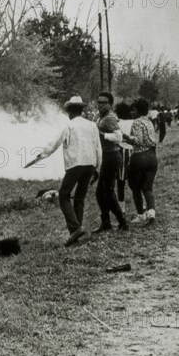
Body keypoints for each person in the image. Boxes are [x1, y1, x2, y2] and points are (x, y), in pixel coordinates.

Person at [28, 96, 102, 247]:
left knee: (64, 196)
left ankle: (75, 228)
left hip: (75, 164)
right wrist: (97, 167)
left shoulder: (69, 126)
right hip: (90, 164)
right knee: (80, 197)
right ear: (81, 110)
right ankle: (77, 230)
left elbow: (54, 143)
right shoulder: (92, 125)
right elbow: (98, 148)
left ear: (69, 112)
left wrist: (42, 155)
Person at [92, 92, 129, 234]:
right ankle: (106, 222)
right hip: (105, 156)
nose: (100, 105)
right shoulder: (100, 118)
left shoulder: (109, 118)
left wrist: (102, 135)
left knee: (107, 191)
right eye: (99, 102)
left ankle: (122, 222)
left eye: (104, 103)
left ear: (110, 104)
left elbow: (118, 137)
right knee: (100, 193)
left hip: (112, 156)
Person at [126, 99, 158, 226]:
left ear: (138, 111)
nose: (131, 112)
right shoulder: (149, 122)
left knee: (135, 188)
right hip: (152, 156)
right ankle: (151, 212)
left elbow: (138, 141)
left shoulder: (137, 122)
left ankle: (141, 214)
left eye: (133, 110)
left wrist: (125, 137)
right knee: (147, 187)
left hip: (139, 157)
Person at [115, 102, 134, 214]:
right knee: (136, 181)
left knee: (121, 181)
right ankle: (143, 205)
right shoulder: (134, 122)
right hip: (134, 150)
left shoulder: (118, 124)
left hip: (122, 151)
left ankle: (122, 207)